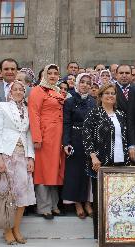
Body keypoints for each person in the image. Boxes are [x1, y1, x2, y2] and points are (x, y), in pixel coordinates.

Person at [0, 81, 35, 245]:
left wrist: (31, 157)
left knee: (21, 194)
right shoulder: (2, 107)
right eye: (15, 89)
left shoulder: (27, 110)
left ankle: (16, 228)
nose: (19, 92)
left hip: (22, 155)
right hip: (5, 154)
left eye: (21, 89)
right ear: (10, 92)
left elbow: (29, 135)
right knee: (5, 193)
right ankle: (7, 229)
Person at [83, 83, 129, 239]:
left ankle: (117, 231)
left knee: (118, 197)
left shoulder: (121, 114)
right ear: (100, 96)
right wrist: (93, 156)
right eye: (107, 93)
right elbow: (87, 136)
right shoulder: (94, 113)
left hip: (121, 161)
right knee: (100, 198)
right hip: (101, 162)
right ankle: (100, 235)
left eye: (113, 93)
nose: (110, 95)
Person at [28, 64, 66, 220]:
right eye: (49, 73)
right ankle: (44, 206)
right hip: (45, 136)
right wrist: (37, 137)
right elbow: (34, 114)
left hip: (58, 137)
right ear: (43, 75)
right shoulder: (37, 90)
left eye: (55, 73)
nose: (52, 76)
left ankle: (54, 204)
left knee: (54, 170)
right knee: (43, 171)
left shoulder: (57, 91)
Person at [62, 73, 96, 219]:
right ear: (77, 83)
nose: (85, 85)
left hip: (90, 141)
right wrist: (66, 143)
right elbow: (66, 123)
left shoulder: (93, 101)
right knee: (75, 173)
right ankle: (77, 203)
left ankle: (88, 202)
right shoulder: (69, 101)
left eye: (88, 83)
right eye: (82, 82)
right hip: (75, 140)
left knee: (89, 173)